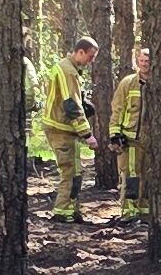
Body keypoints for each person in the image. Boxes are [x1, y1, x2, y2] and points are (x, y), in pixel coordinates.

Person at [35, 36, 99, 223]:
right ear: (80, 52)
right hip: (60, 129)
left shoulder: (70, 69)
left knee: (76, 171)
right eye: (90, 56)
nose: (91, 61)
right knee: (70, 172)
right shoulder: (68, 71)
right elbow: (71, 104)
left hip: (65, 129)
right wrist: (87, 134)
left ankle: (72, 210)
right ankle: (63, 212)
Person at [106, 45, 153, 215]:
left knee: (148, 176)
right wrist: (115, 134)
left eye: (147, 61)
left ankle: (145, 211)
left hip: (152, 140)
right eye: (142, 61)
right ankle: (129, 212)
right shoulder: (128, 83)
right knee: (131, 175)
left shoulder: (159, 83)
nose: (144, 64)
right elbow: (117, 109)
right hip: (131, 138)